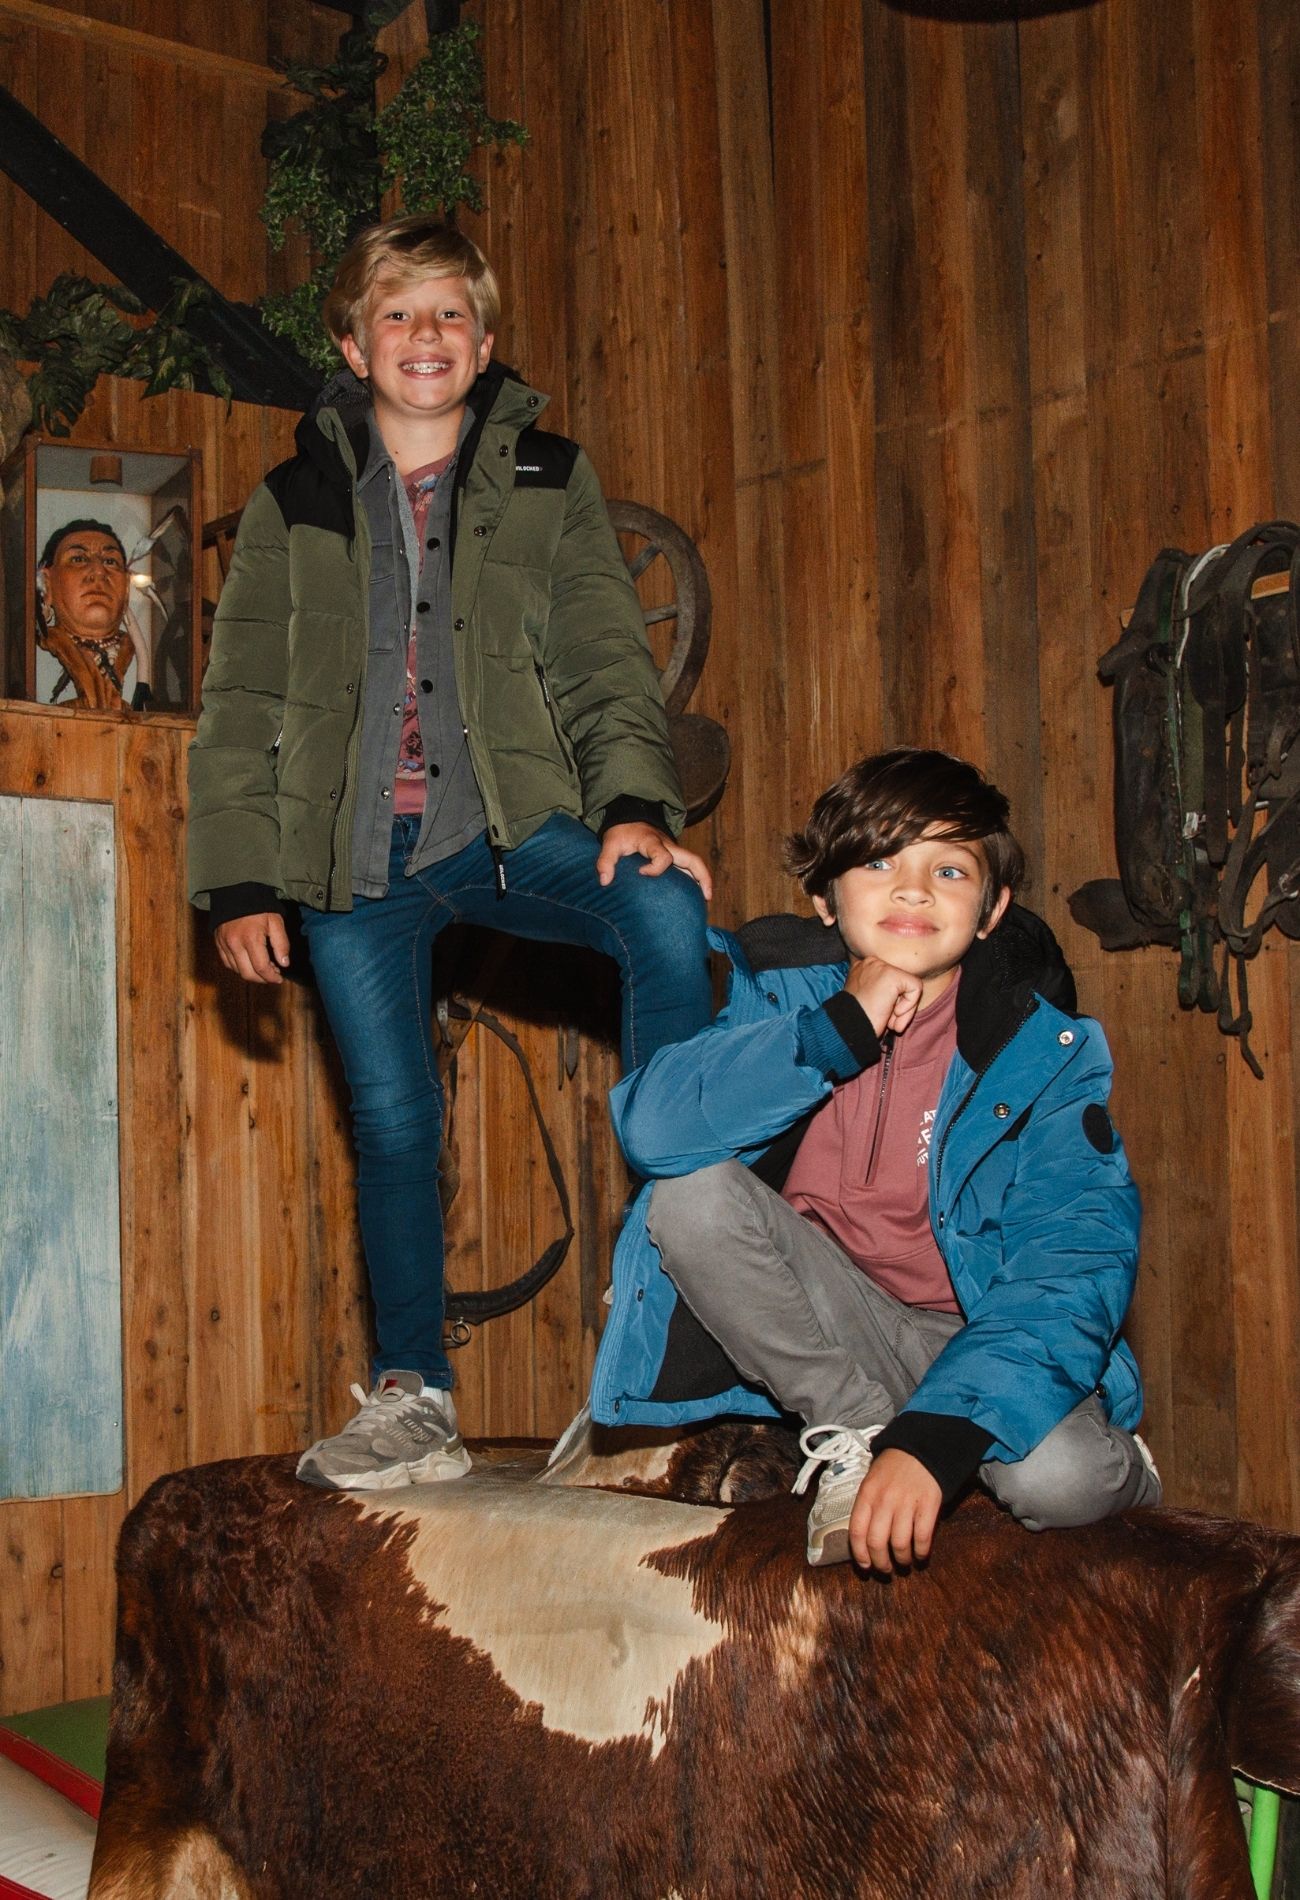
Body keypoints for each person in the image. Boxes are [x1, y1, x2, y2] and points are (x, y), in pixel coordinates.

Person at [188, 214, 713, 1492]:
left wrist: (633, 804)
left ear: (482, 345)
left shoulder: (548, 476)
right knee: (392, 1118)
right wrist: (242, 878)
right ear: (352, 343)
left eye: (449, 314)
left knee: (665, 915)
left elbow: (603, 653)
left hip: (506, 827)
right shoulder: (292, 501)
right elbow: (242, 700)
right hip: (353, 860)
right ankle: (413, 1396)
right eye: (397, 313)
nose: (423, 334)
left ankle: (665, 1311)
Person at [588, 747, 1160, 1569]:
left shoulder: (1040, 1052)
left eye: (950, 871)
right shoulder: (776, 998)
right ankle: (854, 1433)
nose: (913, 890)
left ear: (992, 910)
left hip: (975, 1336)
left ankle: (1119, 1465)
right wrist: (835, 1033)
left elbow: (1073, 1261)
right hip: (835, 1324)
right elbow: (653, 1129)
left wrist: (936, 1438)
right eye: (879, 861)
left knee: (1062, 1482)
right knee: (690, 1195)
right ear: (825, 897)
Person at [37, 520, 132, 708]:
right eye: (78, 559)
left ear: (127, 588)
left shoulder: (134, 650)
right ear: (47, 585)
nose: (98, 572)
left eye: (110, 561)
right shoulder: (31, 658)